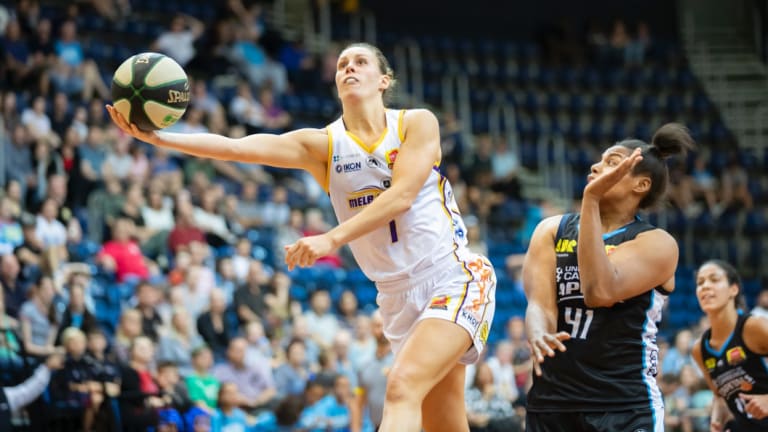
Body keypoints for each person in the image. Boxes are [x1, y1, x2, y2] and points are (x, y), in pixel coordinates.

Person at [107, 41, 496, 432]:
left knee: (401, 387)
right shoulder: (324, 146)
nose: (350, 68)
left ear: (384, 80)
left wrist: (330, 239)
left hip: (453, 274)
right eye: (343, 63)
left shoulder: (416, 122)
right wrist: (160, 140)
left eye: (361, 62)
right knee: (443, 421)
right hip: (395, 294)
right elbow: (235, 147)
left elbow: (402, 196)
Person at [523, 123, 693, 431]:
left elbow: (599, 291)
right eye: (600, 161)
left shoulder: (657, 243)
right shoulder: (551, 230)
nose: (596, 166)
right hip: (552, 400)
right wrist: (538, 334)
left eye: (612, 163)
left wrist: (590, 200)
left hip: (624, 403)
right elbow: (539, 304)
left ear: (640, 185)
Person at [691, 260, 768, 431]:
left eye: (714, 279)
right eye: (700, 282)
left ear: (734, 289)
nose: (705, 286)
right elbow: (719, 397)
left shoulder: (753, 327)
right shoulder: (699, 350)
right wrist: (718, 417)